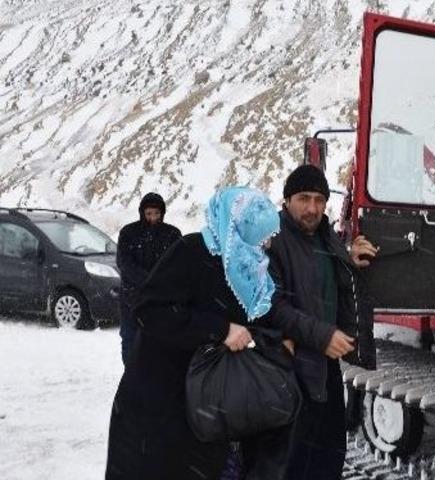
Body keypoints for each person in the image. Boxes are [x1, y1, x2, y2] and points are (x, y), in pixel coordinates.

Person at [105, 187, 281, 480]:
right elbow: (152, 311)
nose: (264, 245)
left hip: (209, 402)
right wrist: (220, 330)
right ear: (236, 227)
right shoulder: (192, 251)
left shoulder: (248, 269)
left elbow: (261, 316)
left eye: (266, 238)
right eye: (257, 236)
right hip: (161, 402)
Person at [253, 164, 377, 479]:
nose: (312, 208)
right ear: (287, 200)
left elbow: (325, 281)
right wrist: (323, 336)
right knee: (291, 462)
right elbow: (272, 306)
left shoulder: (327, 237)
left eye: (320, 199)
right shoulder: (272, 240)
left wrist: (351, 261)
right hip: (287, 366)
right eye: (304, 198)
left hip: (324, 368)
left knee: (329, 455)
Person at [116, 192, 182, 366]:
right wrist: (148, 281)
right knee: (130, 340)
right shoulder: (129, 233)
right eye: (149, 214)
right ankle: (130, 380)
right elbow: (124, 263)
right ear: (142, 213)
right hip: (132, 299)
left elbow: (178, 265)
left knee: (159, 343)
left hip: (161, 301)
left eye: (157, 214)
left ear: (162, 213)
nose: (153, 218)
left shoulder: (172, 234)